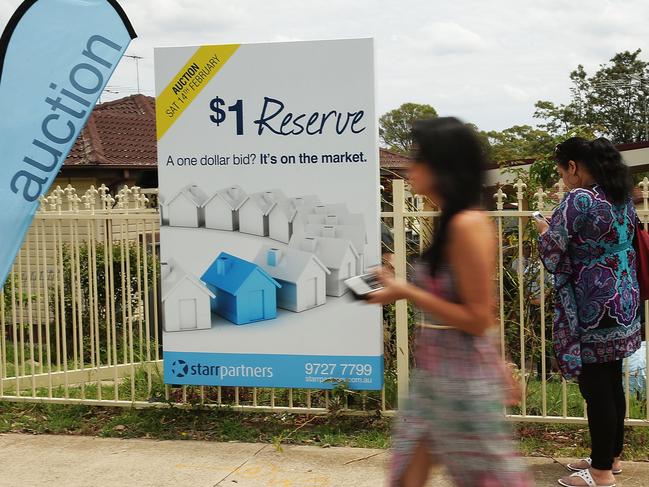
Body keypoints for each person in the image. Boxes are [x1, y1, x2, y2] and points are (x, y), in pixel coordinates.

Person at [367, 117, 531, 487]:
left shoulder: (467, 225)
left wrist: (404, 291)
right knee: (406, 473)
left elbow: (476, 316)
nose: (410, 167)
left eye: (419, 158)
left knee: (486, 478)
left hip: (463, 381)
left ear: (444, 165)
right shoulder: (447, 221)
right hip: (435, 375)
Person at [536, 137, 641, 487]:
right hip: (624, 301)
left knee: (596, 387)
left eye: (562, 171)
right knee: (611, 383)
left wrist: (543, 229)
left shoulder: (579, 199)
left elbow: (553, 251)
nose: (563, 178)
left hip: (592, 305)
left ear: (574, 167)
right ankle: (610, 458)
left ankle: (600, 474)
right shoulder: (621, 196)